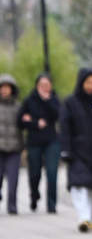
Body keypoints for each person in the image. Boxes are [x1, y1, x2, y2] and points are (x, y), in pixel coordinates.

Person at [60, 67, 92, 232]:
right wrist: (65, 150)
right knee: (78, 185)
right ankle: (83, 217)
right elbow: (64, 128)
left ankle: (91, 218)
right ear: (81, 83)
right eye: (88, 82)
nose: (91, 85)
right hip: (77, 151)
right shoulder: (70, 103)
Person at [19, 73, 61, 213]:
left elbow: (59, 115)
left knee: (52, 172)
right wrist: (35, 123)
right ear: (37, 86)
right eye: (41, 85)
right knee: (34, 172)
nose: (44, 88)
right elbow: (21, 121)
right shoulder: (29, 100)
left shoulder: (54, 99)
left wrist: (47, 101)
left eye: (47, 85)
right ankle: (34, 195)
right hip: (34, 141)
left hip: (52, 141)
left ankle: (51, 204)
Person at [0, 74, 21, 215]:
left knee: (13, 180)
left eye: (7, 88)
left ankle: (12, 206)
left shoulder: (19, 107)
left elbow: (24, 125)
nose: (5, 90)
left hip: (14, 148)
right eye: (2, 88)